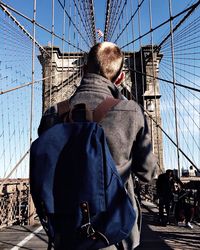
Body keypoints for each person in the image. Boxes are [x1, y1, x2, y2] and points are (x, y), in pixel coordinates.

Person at [38, 42, 157, 249]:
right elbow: (147, 173)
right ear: (120, 78)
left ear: (83, 70)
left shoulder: (53, 114)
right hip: (115, 232)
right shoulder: (132, 112)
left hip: (67, 232)